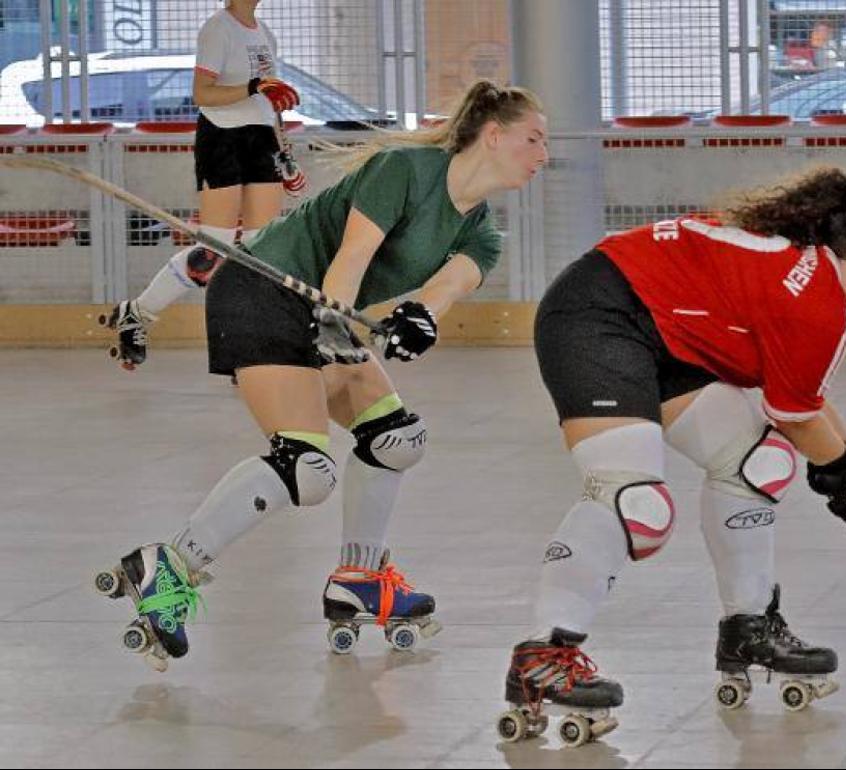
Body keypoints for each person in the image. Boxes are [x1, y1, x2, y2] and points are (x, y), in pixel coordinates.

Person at [94, 79, 548, 670]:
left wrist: (419, 322)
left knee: (395, 439)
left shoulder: (482, 232)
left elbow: (444, 291)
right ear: (492, 135)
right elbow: (352, 256)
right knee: (306, 468)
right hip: (262, 290)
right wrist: (335, 323)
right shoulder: (404, 171)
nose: (544, 154)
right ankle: (168, 567)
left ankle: (358, 578)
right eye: (534, 139)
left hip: (323, 311)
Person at [496, 167, 846, 744]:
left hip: (665, 335)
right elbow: (798, 418)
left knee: (757, 463)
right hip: (599, 315)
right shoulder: (817, 301)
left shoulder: (811, 277)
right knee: (632, 499)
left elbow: (802, 405)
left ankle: (748, 626)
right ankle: (544, 655)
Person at [102, 0, 302, 370]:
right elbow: (203, 93)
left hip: (261, 140)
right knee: (212, 250)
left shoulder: (265, 33)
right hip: (223, 138)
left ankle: (252, 346)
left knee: (263, 250)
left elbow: (269, 105)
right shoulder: (218, 29)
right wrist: (254, 85)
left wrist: (285, 156)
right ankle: (138, 313)